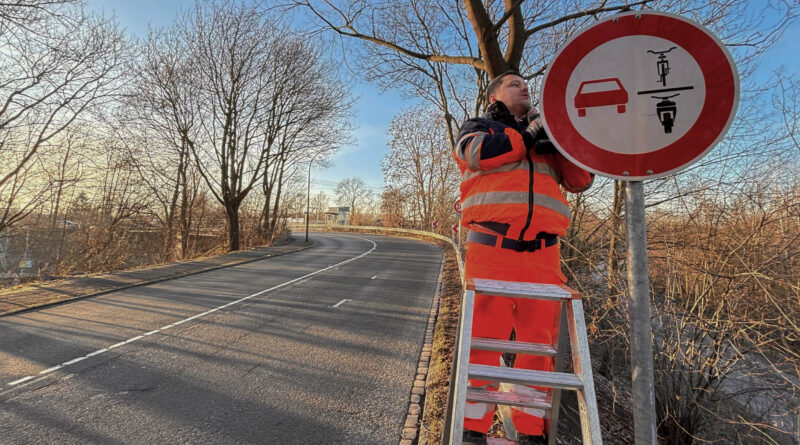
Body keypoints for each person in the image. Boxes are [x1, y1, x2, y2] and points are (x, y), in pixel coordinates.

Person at [453, 71, 594, 444]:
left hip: (543, 255)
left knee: (539, 345)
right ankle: (472, 428)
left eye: (526, 85)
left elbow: (581, 180)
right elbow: (476, 154)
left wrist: (562, 140)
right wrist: (527, 135)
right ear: (494, 95)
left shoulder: (548, 137)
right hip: (491, 249)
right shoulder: (479, 127)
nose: (524, 87)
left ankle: (531, 430)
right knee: (484, 342)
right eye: (514, 84)